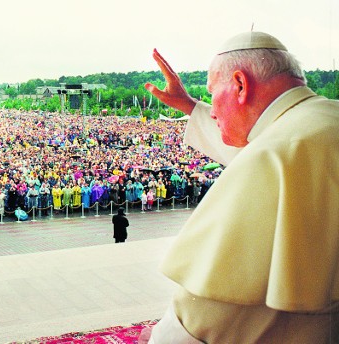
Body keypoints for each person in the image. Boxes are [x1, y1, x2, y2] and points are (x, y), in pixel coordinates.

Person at [141, 32, 339, 343]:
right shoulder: (323, 119)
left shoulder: (273, 154)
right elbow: (266, 145)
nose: (213, 110)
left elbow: (209, 313)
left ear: (240, 84)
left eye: (211, 92)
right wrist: (191, 107)